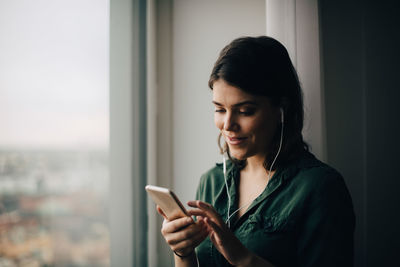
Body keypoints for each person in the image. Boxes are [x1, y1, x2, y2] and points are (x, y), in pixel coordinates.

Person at [156, 36, 355, 267]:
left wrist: (244, 259)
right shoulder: (212, 182)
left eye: (245, 111)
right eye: (220, 109)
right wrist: (183, 252)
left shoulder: (319, 188)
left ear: (282, 110)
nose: (228, 125)